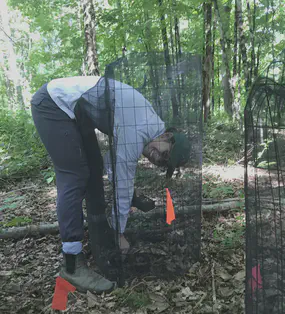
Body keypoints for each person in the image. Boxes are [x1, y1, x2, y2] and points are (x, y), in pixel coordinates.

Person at [30, 76, 191, 293]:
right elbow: (121, 177)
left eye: (163, 163)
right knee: (74, 176)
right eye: (164, 154)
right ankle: (72, 264)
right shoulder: (139, 129)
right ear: (167, 135)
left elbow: (110, 163)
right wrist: (120, 233)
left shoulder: (147, 123)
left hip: (77, 113)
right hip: (53, 103)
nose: (157, 159)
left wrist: (130, 195)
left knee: (94, 167)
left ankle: (98, 233)